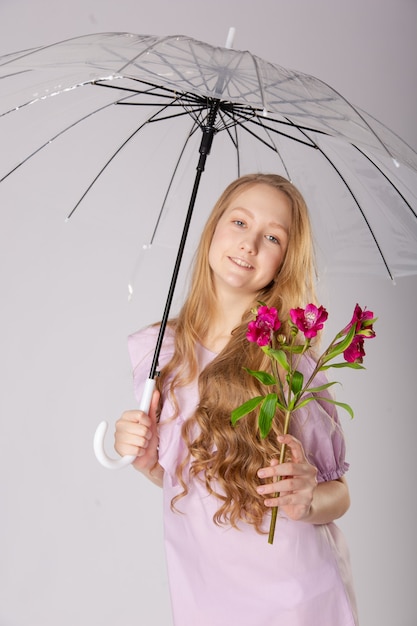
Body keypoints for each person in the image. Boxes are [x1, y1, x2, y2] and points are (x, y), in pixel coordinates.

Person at [114, 173, 358, 626]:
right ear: (212, 228)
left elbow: (339, 494)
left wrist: (306, 500)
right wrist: (149, 462)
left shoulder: (288, 361)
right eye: (239, 222)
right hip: (205, 597)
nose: (249, 245)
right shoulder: (161, 353)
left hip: (297, 600)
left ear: (284, 262)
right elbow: (193, 484)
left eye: (271, 237)